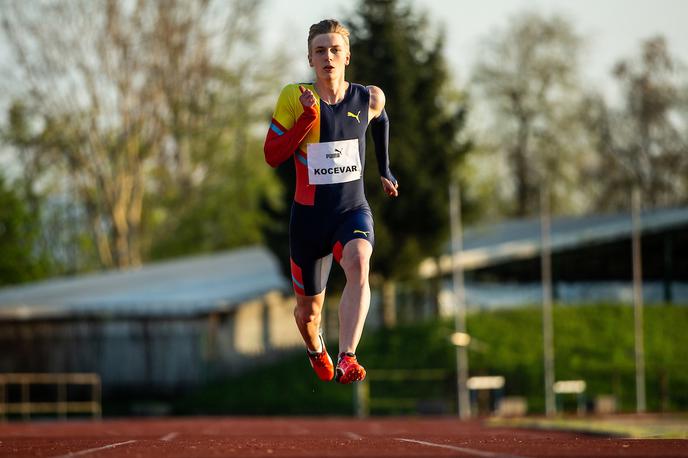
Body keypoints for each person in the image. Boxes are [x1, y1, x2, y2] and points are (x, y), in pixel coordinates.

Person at [263, 19, 398, 384]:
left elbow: (381, 118)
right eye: (320, 50)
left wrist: (385, 169)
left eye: (335, 49)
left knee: (359, 260)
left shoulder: (367, 97)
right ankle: (315, 349)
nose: (328, 57)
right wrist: (306, 119)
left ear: (347, 56)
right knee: (308, 315)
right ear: (309, 58)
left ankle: (348, 355)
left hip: (350, 210)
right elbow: (272, 155)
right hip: (308, 221)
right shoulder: (294, 96)